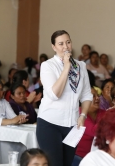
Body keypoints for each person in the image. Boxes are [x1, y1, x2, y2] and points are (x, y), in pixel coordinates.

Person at [37, 30, 92, 166]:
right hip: (50, 123)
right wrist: (66, 66)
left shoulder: (81, 66)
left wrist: (83, 115)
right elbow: (55, 94)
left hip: (72, 125)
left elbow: (86, 95)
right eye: (61, 44)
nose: (65, 47)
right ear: (54, 47)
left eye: (68, 42)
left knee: (67, 163)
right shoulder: (48, 66)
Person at [74, 87, 106, 165]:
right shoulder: (79, 112)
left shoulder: (103, 113)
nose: (97, 98)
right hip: (80, 157)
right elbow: (94, 131)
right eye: (93, 96)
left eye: (98, 95)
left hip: (100, 157)